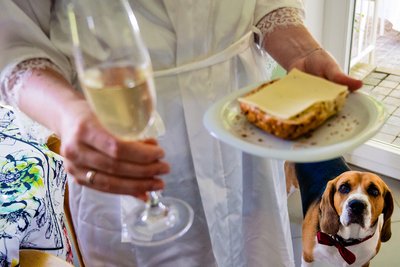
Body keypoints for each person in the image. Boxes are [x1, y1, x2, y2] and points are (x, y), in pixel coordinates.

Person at [0, 1, 362, 266]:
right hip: (122, 139)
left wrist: (304, 52)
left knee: (255, 251)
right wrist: (70, 116)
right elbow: (15, 39)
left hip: (242, 135)